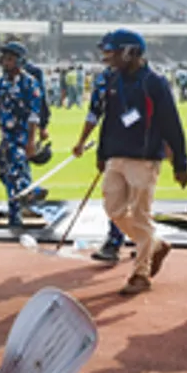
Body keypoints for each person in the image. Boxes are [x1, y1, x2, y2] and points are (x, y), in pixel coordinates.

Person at [89, 29, 187, 295]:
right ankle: (154, 244)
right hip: (115, 156)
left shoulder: (154, 83)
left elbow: (171, 122)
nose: (107, 57)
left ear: (130, 52)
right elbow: (108, 121)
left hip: (144, 159)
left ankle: (140, 274)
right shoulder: (112, 80)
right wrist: (102, 154)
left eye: (112, 51)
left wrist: (181, 162)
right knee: (114, 210)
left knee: (142, 216)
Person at [0, 42, 43, 228]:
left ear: (20, 61)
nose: (5, 62)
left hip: (21, 137)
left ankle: (16, 216)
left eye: (10, 59)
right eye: (4, 58)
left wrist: (31, 142)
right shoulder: (2, 83)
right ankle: (29, 193)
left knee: (13, 175)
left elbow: (34, 115)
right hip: (5, 137)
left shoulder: (30, 83)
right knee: (3, 174)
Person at [73, 37, 128, 264]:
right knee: (113, 198)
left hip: (143, 149)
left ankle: (147, 241)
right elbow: (94, 113)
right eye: (104, 52)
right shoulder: (104, 78)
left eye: (109, 51)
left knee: (137, 201)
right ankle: (115, 241)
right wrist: (81, 141)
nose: (105, 56)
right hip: (112, 144)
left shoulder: (145, 78)